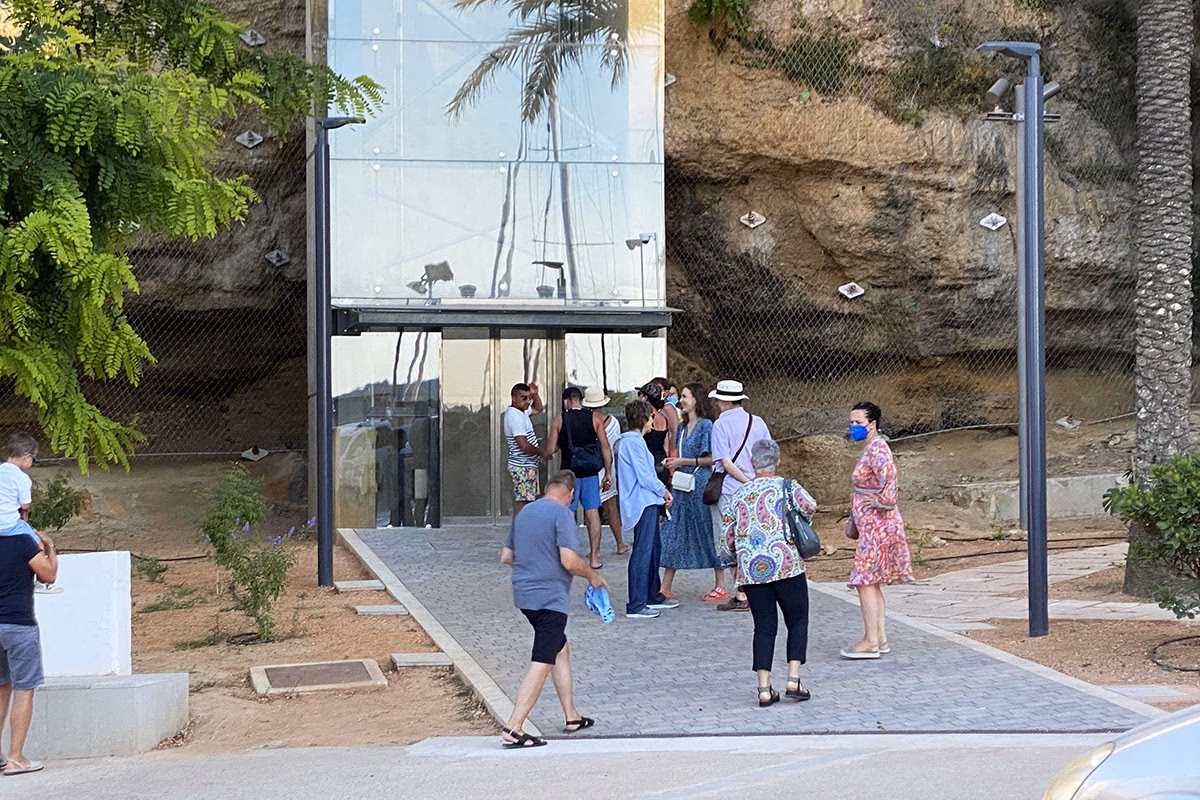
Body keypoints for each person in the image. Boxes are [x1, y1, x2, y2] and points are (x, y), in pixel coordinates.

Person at [498, 470, 606, 748]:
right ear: (571, 495)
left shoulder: (525, 513)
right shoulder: (562, 515)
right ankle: (514, 726)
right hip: (550, 598)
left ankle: (572, 716)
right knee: (543, 660)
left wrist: (534, 562)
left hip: (524, 596)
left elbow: (507, 556)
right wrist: (593, 577)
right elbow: (569, 560)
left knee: (560, 649)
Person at [724, 439, 817, 707]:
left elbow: (726, 537)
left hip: (753, 571)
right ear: (777, 462)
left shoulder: (739, 495)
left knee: (764, 628)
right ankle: (793, 678)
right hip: (788, 564)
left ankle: (764, 689)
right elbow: (810, 506)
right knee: (797, 621)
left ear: (752, 464)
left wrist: (736, 559)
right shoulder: (788, 487)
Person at [841, 401, 914, 660]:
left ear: (872, 425)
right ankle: (879, 638)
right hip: (873, 525)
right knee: (871, 582)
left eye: (858, 422)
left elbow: (890, 476)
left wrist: (882, 502)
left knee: (865, 581)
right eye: (851, 422)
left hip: (877, 526)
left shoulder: (878, 447)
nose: (853, 427)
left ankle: (871, 640)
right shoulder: (872, 447)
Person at [660, 384, 727, 602]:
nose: (681, 400)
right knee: (675, 529)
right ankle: (665, 585)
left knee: (706, 529)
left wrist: (682, 461)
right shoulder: (681, 427)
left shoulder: (707, 426)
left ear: (696, 399)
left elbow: (711, 459)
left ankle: (720, 584)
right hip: (682, 484)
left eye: (685, 396)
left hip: (699, 482)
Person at [709, 379, 771, 612]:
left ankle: (741, 593)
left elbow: (724, 462)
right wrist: (757, 481)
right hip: (757, 489)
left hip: (731, 489)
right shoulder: (758, 421)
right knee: (752, 539)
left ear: (724, 401)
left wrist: (744, 481)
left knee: (729, 541)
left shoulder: (720, 425)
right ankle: (754, 589)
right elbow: (769, 452)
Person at [617, 400, 675, 619]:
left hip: (647, 501)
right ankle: (637, 602)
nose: (653, 422)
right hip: (643, 502)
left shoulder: (632, 442)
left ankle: (651, 594)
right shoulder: (632, 443)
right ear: (644, 419)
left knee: (652, 551)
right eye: (651, 418)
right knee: (643, 552)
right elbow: (646, 476)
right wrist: (663, 491)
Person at [547, 387, 613, 569]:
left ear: (566, 401)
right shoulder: (595, 419)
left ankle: (568, 556)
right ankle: (594, 558)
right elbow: (605, 447)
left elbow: (551, 449)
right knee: (593, 514)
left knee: (568, 515)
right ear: (581, 400)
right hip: (591, 473)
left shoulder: (559, 420)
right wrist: (607, 472)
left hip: (569, 474)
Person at [583, 387, 628, 556]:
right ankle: (619, 543)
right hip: (607, 467)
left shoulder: (585, 421)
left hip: (589, 468)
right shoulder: (612, 421)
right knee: (611, 508)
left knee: (590, 509)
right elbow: (615, 445)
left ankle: (595, 548)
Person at [502, 383, 547, 519]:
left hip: (527, 466)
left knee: (527, 500)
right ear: (514, 398)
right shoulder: (514, 417)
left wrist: (535, 394)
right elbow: (524, 445)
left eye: (529, 398)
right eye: (523, 398)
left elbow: (538, 408)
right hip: (521, 466)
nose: (527, 401)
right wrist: (541, 453)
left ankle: (522, 531)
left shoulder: (522, 412)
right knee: (523, 502)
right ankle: (520, 532)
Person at [0, 434, 40, 545]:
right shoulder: (22, 478)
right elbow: (25, 505)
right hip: (9, 524)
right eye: (34, 459)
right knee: (37, 544)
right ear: (26, 457)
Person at [637, 382, 673, 486]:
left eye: (640, 394)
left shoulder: (644, 419)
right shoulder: (664, 418)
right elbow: (666, 446)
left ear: (645, 397)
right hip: (661, 461)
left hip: (647, 463)